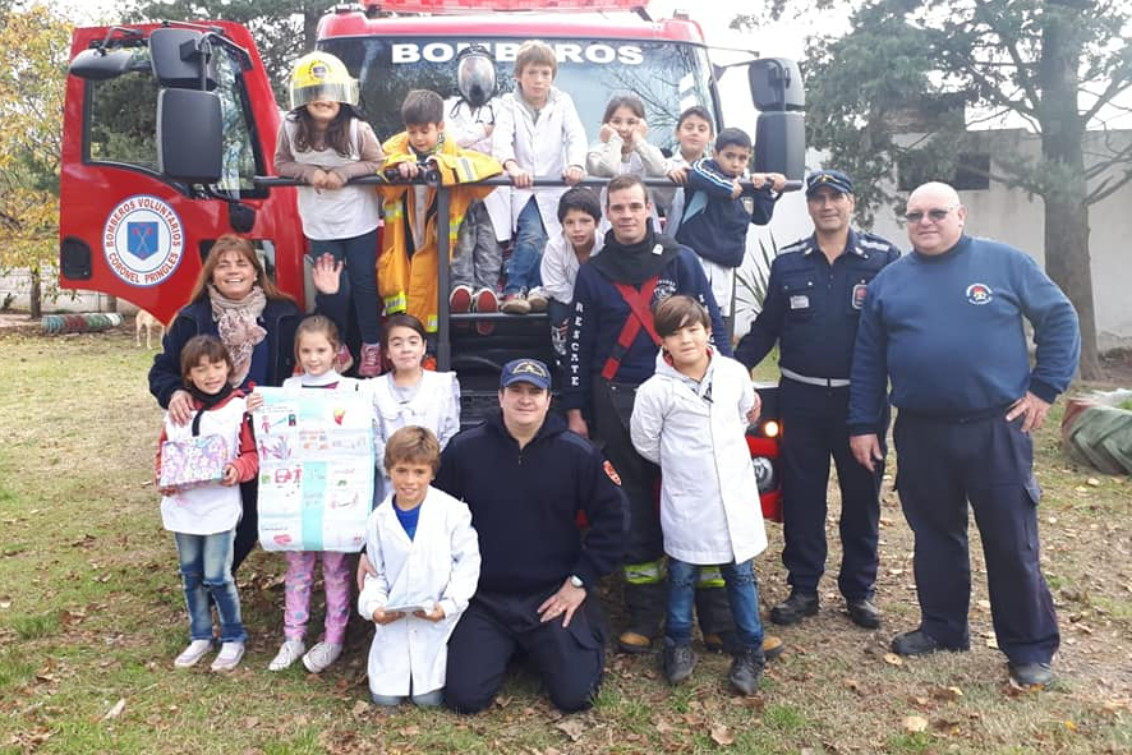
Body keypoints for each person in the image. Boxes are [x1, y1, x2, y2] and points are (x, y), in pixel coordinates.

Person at [848, 181, 1081, 688]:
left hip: (995, 428)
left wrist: (1044, 388)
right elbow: (868, 361)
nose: (925, 223)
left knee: (1011, 541)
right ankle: (943, 627)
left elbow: (1059, 317)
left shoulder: (1004, 263)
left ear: (961, 214)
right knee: (934, 537)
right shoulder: (889, 283)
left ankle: (1028, 647)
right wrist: (864, 424)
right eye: (914, 216)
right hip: (921, 430)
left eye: (936, 213)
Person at [564, 174, 780, 659]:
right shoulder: (593, 274)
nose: (626, 215)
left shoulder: (679, 259)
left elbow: (711, 328)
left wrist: (734, 381)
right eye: (616, 207)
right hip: (617, 397)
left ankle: (718, 619)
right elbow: (577, 346)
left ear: (650, 211)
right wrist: (575, 407)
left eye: (633, 206)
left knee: (703, 501)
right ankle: (645, 614)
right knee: (634, 505)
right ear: (608, 215)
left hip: (686, 394)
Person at [735, 169, 901, 630]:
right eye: (819, 198)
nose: (828, 205)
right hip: (801, 399)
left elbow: (899, 328)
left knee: (861, 499)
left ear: (853, 202)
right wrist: (732, 365)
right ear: (809, 206)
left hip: (860, 404)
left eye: (837, 197)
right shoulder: (789, 262)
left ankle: (859, 591)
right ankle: (803, 588)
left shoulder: (883, 258)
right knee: (804, 497)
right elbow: (768, 326)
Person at [149, 234, 345, 575]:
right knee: (211, 511)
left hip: (263, 433)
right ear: (211, 275)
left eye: (242, 263)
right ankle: (204, 584)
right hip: (213, 433)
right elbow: (163, 369)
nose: (233, 271)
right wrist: (174, 392)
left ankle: (219, 580)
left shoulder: (282, 313)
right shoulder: (191, 319)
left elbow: (318, 342)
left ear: (257, 272)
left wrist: (329, 297)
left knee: (253, 514)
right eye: (223, 265)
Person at [439, 358, 625, 713]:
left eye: (534, 392)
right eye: (516, 391)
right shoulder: (466, 449)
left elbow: (614, 521)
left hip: (551, 594)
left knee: (576, 696)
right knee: (464, 698)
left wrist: (580, 582)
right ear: (501, 396)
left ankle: (561, 640)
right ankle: (506, 646)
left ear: (548, 399)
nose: (525, 400)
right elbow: (427, 507)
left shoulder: (578, 453)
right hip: (485, 597)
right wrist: (375, 548)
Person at [630, 296, 769, 695]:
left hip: (734, 495)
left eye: (693, 330)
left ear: (709, 331)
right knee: (682, 575)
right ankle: (677, 645)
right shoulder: (655, 391)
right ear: (663, 343)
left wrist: (718, 457)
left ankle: (751, 650)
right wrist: (685, 463)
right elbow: (645, 442)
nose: (686, 340)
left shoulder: (734, 374)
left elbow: (744, 415)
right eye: (675, 334)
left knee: (741, 576)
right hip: (688, 500)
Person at [255, 315, 364, 674]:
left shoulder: (353, 392)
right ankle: (293, 636)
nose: (314, 358)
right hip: (295, 497)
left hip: (336, 496)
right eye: (306, 351)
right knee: (298, 569)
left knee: (336, 569)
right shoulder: (288, 388)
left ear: (336, 351)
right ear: (297, 353)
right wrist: (255, 409)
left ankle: (333, 637)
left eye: (321, 350)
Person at [274, 51, 385, 376]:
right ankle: (338, 346)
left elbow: (377, 162)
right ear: (301, 98)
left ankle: (371, 345)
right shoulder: (291, 127)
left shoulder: (357, 129)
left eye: (330, 92)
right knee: (333, 287)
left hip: (358, 221)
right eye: (314, 92)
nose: (323, 99)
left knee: (365, 284)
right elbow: (281, 163)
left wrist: (344, 174)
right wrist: (309, 173)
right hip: (320, 224)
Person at [155, 335, 258, 672]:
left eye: (217, 366)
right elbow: (165, 450)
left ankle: (233, 635)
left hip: (220, 507)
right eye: (201, 369)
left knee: (217, 575)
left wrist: (237, 469)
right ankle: (200, 633)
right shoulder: (178, 410)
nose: (211, 374)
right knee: (190, 574)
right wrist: (163, 478)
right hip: (183, 507)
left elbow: (252, 455)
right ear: (188, 375)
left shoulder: (239, 408)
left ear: (229, 367)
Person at [359, 426, 481, 708]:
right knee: (385, 697)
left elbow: (468, 564)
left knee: (428, 698)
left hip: (437, 616)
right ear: (389, 469)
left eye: (419, 472)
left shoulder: (453, 512)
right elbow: (376, 574)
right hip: (395, 618)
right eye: (402, 471)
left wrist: (448, 606)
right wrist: (374, 607)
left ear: (432, 473)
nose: (409, 481)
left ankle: (428, 683)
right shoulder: (378, 519)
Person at [377, 89, 502, 338]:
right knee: (404, 306)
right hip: (405, 244)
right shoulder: (393, 148)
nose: (419, 138)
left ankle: (432, 350)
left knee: (432, 310)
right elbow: (381, 165)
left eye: (425, 131)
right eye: (412, 132)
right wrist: (400, 166)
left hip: (438, 248)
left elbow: (492, 169)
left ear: (441, 127)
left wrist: (440, 167)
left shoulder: (453, 153)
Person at [492, 40, 587, 315]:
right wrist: (512, 167)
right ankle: (513, 290)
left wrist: (576, 165)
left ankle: (536, 289)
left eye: (545, 73)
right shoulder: (508, 104)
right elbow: (501, 140)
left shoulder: (563, 102)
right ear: (518, 76)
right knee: (532, 234)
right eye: (532, 72)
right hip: (523, 188)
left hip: (555, 187)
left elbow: (576, 136)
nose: (538, 80)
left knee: (551, 240)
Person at [675, 127, 785, 317]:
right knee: (688, 317)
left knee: (715, 322)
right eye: (729, 156)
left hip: (725, 266)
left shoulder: (746, 184)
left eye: (742, 158)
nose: (735, 163)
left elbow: (761, 217)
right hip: (696, 259)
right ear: (715, 154)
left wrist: (769, 187)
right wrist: (727, 187)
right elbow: (697, 172)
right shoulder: (705, 171)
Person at [444, 45, 511, 335]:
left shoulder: (504, 107)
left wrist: (473, 142)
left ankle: (486, 299)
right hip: (460, 190)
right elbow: (448, 142)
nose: (475, 77)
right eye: (469, 71)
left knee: (489, 246)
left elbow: (502, 146)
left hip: (493, 191)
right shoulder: (447, 108)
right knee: (461, 243)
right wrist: (481, 133)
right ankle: (461, 293)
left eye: (480, 70)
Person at [370, 314, 461, 503]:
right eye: (397, 344)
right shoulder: (372, 389)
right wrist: (396, 473)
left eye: (413, 342)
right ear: (387, 351)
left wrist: (426, 471)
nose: (406, 350)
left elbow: (450, 432)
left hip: (433, 482)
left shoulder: (443, 384)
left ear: (424, 347)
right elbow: (374, 436)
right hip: (389, 485)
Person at [540, 187, 603, 371]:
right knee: (558, 312)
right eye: (570, 222)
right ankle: (563, 363)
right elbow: (555, 286)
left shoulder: (606, 245)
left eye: (585, 221)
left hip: (598, 304)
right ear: (562, 225)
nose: (577, 229)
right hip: (567, 301)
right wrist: (577, 314)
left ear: (597, 222)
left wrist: (584, 316)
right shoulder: (555, 246)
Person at [662, 105, 715, 239]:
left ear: (711, 137)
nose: (695, 133)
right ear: (677, 133)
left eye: (701, 129)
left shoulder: (718, 170)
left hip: (709, 247)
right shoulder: (665, 166)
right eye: (689, 127)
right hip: (673, 242)